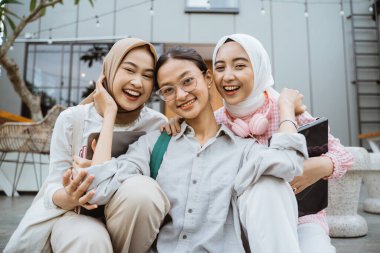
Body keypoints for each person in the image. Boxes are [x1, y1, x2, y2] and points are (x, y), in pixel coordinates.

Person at [83, 45, 309, 253]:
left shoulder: (242, 150)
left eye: (187, 81)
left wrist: (286, 108)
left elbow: (288, 165)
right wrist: (110, 112)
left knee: (270, 185)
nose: (180, 95)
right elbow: (99, 187)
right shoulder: (154, 145)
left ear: (208, 78)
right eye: (168, 90)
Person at [162, 34, 355, 252]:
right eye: (220, 67)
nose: (228, 76)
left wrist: (318, 167)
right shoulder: (217, 122)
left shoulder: (285, 108)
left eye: (240, 66)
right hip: (241, 221)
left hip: (303, 219)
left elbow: (344, 155)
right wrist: (182, 120)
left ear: (259, 67)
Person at [5, 38, 170, 253]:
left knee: (144, 192)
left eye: (147, 75)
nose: (138, 82)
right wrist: (70, 196)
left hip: (128, 220)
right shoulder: (73, 119)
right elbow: (53, 185)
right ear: (108, 72)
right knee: (90, 241)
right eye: (129, 70)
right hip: (75, 215)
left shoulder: (157, 124)